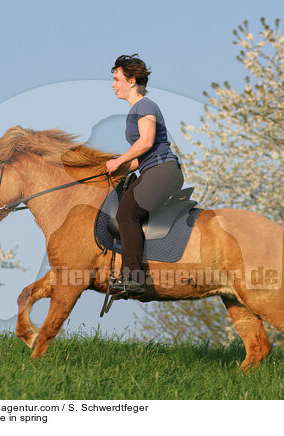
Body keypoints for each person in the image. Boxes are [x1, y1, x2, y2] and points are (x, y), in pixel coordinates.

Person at [106, 54, 184, 294]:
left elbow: (147, 142)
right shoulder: (137, 110)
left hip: (163, 171)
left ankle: (134, 278)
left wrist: (119, 159)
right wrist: (117, 169)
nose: (113, 84)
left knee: (127, 213)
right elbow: (140, 157)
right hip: (152, 169)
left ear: (131, 81)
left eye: (117, 79)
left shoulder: (145, 106)